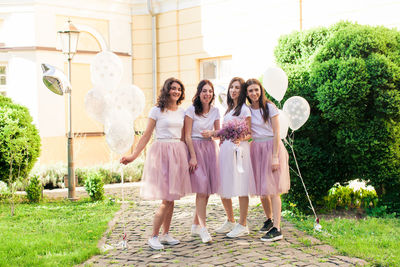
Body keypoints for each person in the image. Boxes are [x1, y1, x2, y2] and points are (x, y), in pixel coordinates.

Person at [120, 77, 191, 250]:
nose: (176, 91)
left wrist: (188, 157)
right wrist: (133, 155)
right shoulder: (157, 111)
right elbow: (146, 135)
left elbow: (184, 137)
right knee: (166, 199)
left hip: (177, 153)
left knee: (172, 198)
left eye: (179, 89)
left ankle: (166, 234)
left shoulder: (182, 113)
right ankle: (153, 236)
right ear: (167, 90)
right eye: (173, 88)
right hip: (162, 154)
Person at [246, 78, 290, 242]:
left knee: (273, 190)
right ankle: (269, 219)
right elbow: (249, 132)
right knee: (262, 191)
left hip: (272, 148)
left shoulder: (269, 107)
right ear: (247, 93)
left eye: (256, 90)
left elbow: (277, 133)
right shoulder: (248, 110)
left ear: (261, 90)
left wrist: (274, 156)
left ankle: (277, 228)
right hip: (256, 149)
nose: (254, 93)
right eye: (250, 91)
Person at [214, 77, 256, 238]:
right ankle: (230, 220)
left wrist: (241, 138)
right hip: (225, 150)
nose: (233, 90)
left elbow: (250, 133)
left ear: (242, 90)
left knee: (241, 186)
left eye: (237, 88)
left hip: (239, 151)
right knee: (224, 185)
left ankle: (243, 224)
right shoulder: (228, 109)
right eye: (231, 87)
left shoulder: (245, 109)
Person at [184, 80, 220, 243]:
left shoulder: (215, 111)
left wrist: (212, 133)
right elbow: (187, 135)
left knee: (206, 191)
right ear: (199, 93)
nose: (207, 94)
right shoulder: (191, 110)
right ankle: (204, 229)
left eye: (210, 91)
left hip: (210, 149)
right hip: (195, 149)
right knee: (202, 188)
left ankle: (195, 225)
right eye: (204, 91)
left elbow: (219, 133)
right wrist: (192, 156)